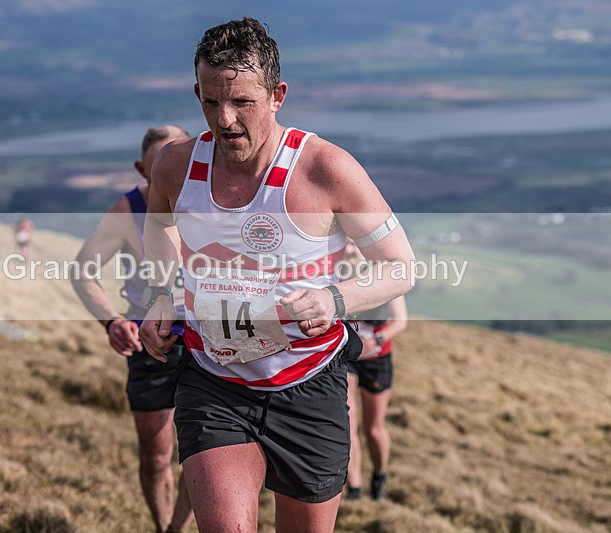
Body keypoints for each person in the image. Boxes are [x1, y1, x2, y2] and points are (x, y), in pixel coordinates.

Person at [138, 18, 416, 532]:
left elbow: (401, 267)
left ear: (276, 95)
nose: (225, 120)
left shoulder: (325, 169)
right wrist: (161, 294)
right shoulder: (177, 165)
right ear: (197, 91)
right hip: (214, 383)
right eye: (210, 102)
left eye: (242, 102)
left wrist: (335, 299)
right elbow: (159, 225)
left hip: (309, 387)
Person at [71, 125, 193, 533]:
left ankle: (176, 529)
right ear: (141, 168)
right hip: (149, 342)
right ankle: (164, 528)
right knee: (157, 456)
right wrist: (112, 322)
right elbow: (83, 272)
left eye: (174, 158)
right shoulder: (126, 212)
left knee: (204, 454)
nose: (165, 170)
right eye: (156, 163)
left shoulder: (213, 199)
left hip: (208, 342)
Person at [344, 295, 408, 501]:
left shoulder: (386, 272)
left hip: (377, 357)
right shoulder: (342, 268)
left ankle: (379, 475)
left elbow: (401, 321)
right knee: (348, 423)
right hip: (348, 355)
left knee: (374, 429)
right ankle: (354, 490)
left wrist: (375, 341)